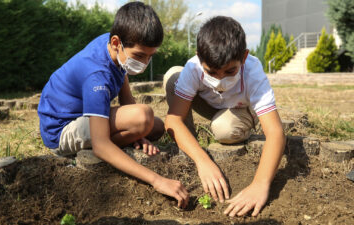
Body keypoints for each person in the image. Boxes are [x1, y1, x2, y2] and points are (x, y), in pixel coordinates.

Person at [38, 2, 189, 208]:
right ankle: (93, 154)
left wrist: (140, 134)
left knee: (156, 126)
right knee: (143, 117)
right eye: (139, 56)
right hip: (62, 131)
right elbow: (101, 144)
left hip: (83, 118)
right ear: (117, 42)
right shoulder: (96, 75)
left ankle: (121, 143)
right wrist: (158, 180)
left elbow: (125, 93)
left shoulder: (112, 45)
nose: (145, 63)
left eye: (150, 56)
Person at [164, 16, 286, 216]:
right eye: (211, 72)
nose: (220, 79)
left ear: (244, 57)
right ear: (199, 58)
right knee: (172, 78)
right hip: (210, 105)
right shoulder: (193, 67)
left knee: (225, 129)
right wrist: (203, 160)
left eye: (230, 71)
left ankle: (233, 126)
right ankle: (189, 145)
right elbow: (173, 120)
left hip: (238, 110)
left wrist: (260, 184)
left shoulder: (253, 72)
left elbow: (276, 133)